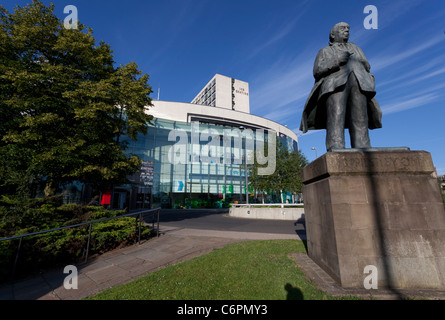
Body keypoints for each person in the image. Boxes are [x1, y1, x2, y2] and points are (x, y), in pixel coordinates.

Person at [300, 22, 382, 151]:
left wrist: (367, 76)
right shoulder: (325, 51)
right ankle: (335, 146)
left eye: (348, 29)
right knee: (336, 115)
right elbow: (317, 70)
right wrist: (337, 60)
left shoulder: (357, 49)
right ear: (333, 34)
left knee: (360, 117)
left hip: (359, 84)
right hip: (335, 85)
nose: (346, 30)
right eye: (342, 28)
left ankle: (362, 145)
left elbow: (367, 65)